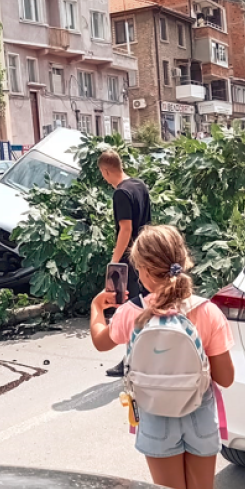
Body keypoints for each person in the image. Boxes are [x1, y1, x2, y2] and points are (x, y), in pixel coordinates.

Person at [89, 225, 235, 489]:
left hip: (155, 416)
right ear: (182, 262)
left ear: (142, 269)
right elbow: (226, 378)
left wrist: (97, 308)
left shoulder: (130, 312)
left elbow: (100, 341)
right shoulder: (207, 312)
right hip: (199, 414)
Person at [97, 149, 151, 377]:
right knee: (148, 306)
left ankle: (131, 358)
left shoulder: (121, 193)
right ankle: (147, 354)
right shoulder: (140, 185)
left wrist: (114, 261)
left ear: (106, 171)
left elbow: (125, 229)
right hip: (148, 252)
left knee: (131, 309)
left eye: (103, 174)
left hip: (131, 259)